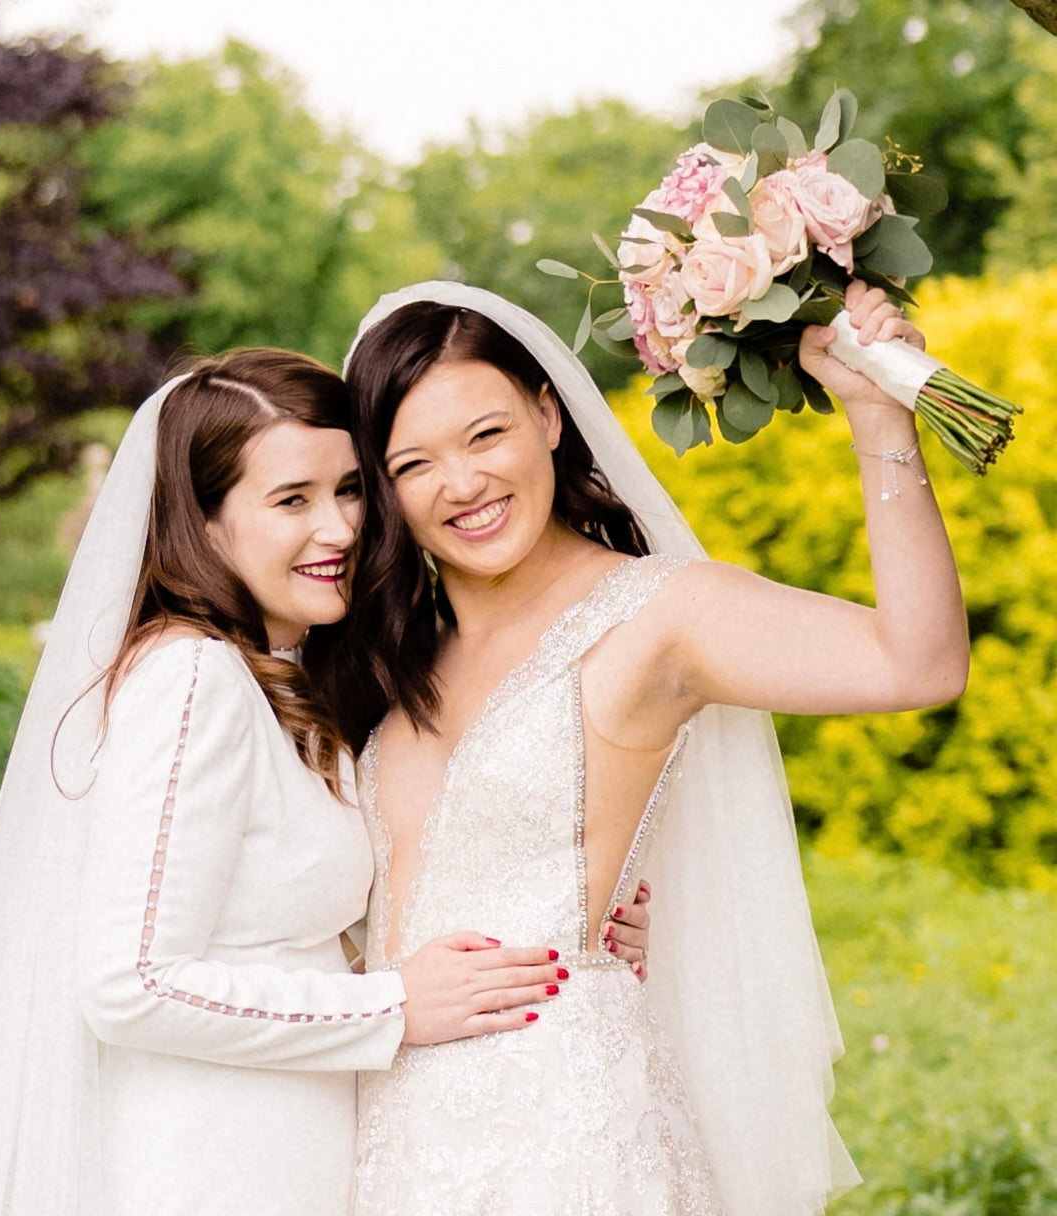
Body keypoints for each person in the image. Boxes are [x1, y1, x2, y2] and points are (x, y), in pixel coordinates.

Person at [0, 347, 652, 1216]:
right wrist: (392, 1005)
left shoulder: (279, 680)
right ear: (203, 525)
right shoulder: (193, 679)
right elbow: (132, 983)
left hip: (288, 1154)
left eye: (350, 489)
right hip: (204, 1166)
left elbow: (276, 930)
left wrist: (552, 906)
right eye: (292, 501)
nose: (341, 529)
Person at [329, 280, 969, 1216]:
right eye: (412, 463)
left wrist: (878, 418)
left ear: (548, 415)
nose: (461, 485)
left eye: (485, 435)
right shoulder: (383, 652)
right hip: (375, 1132)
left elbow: (916, 664)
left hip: (563, 1139)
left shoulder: (658, 616)